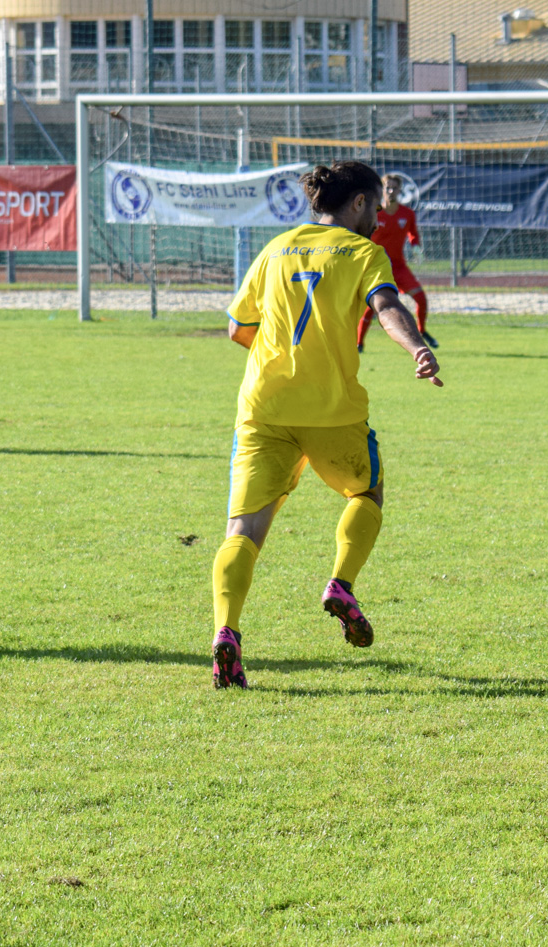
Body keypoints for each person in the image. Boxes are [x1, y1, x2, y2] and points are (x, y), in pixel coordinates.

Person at [211, 160, 442, 689]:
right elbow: (387, 308)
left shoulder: (276, 248)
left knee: (243, 530)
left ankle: (227, 632)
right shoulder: (363, 252)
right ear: (358, 202)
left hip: (264, 408)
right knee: (367, 492)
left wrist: (282, 360)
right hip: (332, 410)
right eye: (375, 205)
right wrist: (417, 348)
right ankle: (341, 583)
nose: (378, 216)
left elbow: (238, 329)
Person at [356, 172, 437, 351]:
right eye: (388, 188)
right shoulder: (374, 213)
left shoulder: (407, 214)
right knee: (371, 306)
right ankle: (359, 342)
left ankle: (422, 331)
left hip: (399, 267)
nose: (391, 191)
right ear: (382, 190)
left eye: (395, 188)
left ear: (400, 190)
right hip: (378, 267)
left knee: (421, 298)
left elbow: (413, 234)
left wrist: (416, 247)